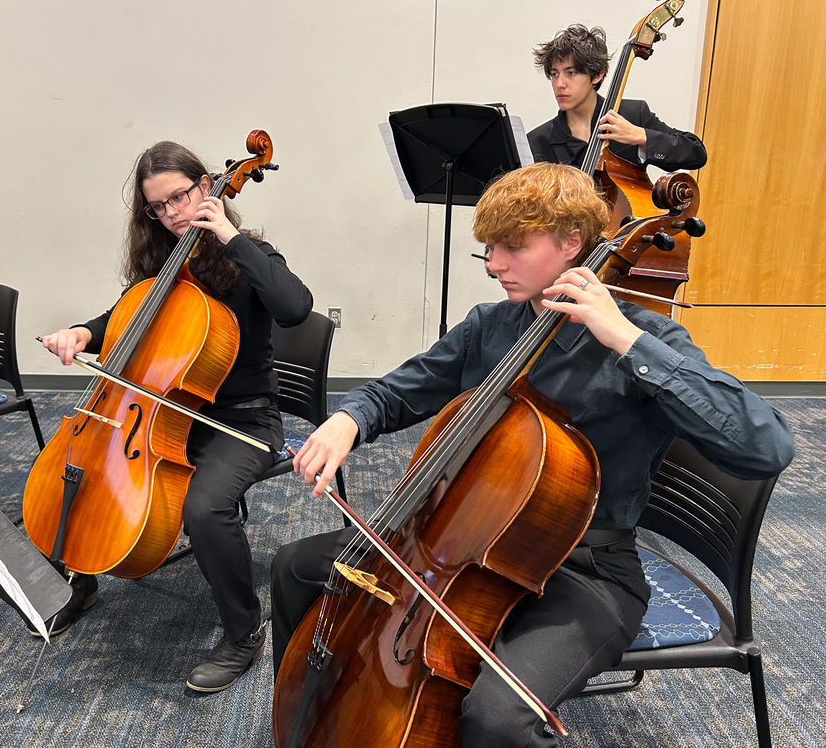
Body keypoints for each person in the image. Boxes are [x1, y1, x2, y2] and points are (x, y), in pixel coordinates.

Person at [270, 162, 792, 746]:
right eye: (489, 249)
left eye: (513, 247)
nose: (494, 265)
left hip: (585, 571)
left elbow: (766, 446)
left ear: (572, 242)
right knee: (295, 568)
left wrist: (625, 340)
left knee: (498, 719)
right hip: (455, 539)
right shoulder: (493, 326)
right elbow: (400, 389)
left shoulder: (646, 338)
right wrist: (349, 417)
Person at [39, 140, 313, 692]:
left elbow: (295, 307)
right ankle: (79, 580)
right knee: (84, 468)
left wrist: (232, 240)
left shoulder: (248, 255)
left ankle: (243, 633)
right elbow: (125, 315)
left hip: (241, 421)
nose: (171, 214)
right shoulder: (159, 262)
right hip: (162, 414)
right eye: (157, 207)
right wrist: (82, 332)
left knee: (206, 508)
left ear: (207, 187)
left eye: (179, 198)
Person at [527, 24, 708, 172]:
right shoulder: (536, 141)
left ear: (597, 75)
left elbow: (696, 153)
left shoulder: (631, 114)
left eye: (571, 73)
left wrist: (641, 136)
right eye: (554, 74)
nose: (559, 84)